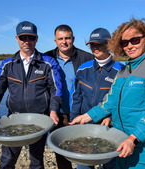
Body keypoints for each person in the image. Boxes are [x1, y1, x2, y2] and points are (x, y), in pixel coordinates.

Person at [70, 18, 145, 169]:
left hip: (144, 150)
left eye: (135, 40)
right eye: (124, 42)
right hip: (121, 143)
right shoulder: (123, 71)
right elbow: (109, 103)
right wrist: (86, 117)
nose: (129, 46)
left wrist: (133, 139)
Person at [0, 21, 63, 169]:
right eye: (22, 37)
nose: (27, 41)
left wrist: (53, 110)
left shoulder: (48, 62)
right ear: (17, 38)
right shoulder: (7, 64)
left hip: (40, 119)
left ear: (36, 39)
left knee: (36, 160)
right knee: (8, 158)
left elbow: (56, 88)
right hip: (14, 119)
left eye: (30, 37)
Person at [70, 28, 124, 169]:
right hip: (85, 127)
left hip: (109, 129)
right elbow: (76, 98)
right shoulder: (83, 69)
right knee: (84, 164)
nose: (95, 47)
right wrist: (74, 120)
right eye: (92, 44)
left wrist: (111, 118)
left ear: (109, 44)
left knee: (110, 164)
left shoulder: (121, 71)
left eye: (99, 44)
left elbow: (123, 102)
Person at [45, 24, 94, 169]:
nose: (64, 42)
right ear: (55, 41)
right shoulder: (47, 58)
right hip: (56, 115)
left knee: (84, 154)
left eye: (67, 38)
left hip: (80, 114)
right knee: (61, 154)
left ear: (73, 38)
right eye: (60, 38)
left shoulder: (87, 58)